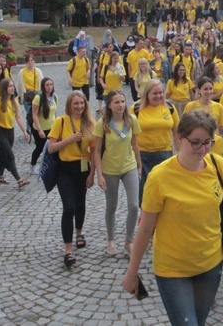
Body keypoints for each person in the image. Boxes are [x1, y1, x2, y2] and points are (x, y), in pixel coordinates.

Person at [122, 110, 223, 325]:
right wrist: (131, 272)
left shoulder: (218, 165)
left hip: (210, 263)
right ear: (180, 138)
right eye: (196, 143)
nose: (202, 149)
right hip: (173, 270)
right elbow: (145, 228)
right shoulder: (160, 176)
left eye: (208, 142)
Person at [47, 91, 95, 267]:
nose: (79, 107)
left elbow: (94, 151)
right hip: (65, 169)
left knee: (80, 203)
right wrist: (69, 140)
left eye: (82, 103)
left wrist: (93, 174)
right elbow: (51, 148)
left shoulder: (90, 124)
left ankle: (79, 232)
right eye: (76, 104)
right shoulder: (61, 121)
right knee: (69, 207)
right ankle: (68, 249)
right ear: (69, 105)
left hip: (83, 168)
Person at [93, 90, 141, 257]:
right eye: (117, 102)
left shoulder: (132, 120)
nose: (121, 105)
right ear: (110, 105)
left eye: (123, 101)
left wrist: (139, 166)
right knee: (112, 205)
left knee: (134, 205)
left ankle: (129, 241)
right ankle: (111, 239)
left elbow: (135, 144)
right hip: (110, 169)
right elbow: (97, 151)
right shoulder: (102, 124)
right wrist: (99, 175)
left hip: (129, 167)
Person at [131, 80, 180, 202]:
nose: (158, 96)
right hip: (142, 155)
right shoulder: (136, 109)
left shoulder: (170, 108)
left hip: (165, 154)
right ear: (147, 94)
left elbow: (177, 132)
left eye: (161, 93)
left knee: (164, 187)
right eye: (155, 93)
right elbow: (128, 133)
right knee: (144, 189)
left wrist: (179, 152)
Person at [0, 78, 30, 188]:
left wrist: (25, 131)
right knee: (10, 156)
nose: (12, 88)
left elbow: (18, 118)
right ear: (4, 89)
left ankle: (0, 176)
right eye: (9, 86)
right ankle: (19, 180)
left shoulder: (14, 102)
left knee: (4, 155)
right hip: (0, 131)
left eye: (13, 86)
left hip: (10, 132)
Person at [30, 78, 58, 175]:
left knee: (52, 148)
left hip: (52, 127)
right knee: (40, 148)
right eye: (47, 85)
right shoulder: (38, 98)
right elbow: (34, 114)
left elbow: (54, 113)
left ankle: (51, 166)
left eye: (51, 84)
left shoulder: (55, 97)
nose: (49, 87)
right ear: (43, 86)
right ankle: (33, 166)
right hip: (40, 128)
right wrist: (39, 130)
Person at [15, 55, 43, 128]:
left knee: (37, 112)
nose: (30, 62)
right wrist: (20, 96)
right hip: (27, 94)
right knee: (29, 113)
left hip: (37, 93)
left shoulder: (38, 71)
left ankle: (36, 128)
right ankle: (29, 129)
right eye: (28, 61)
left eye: (31, 60)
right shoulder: (22, 72)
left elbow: (42, 82)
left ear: (34, 61)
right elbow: (20, 85)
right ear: (26, 62)